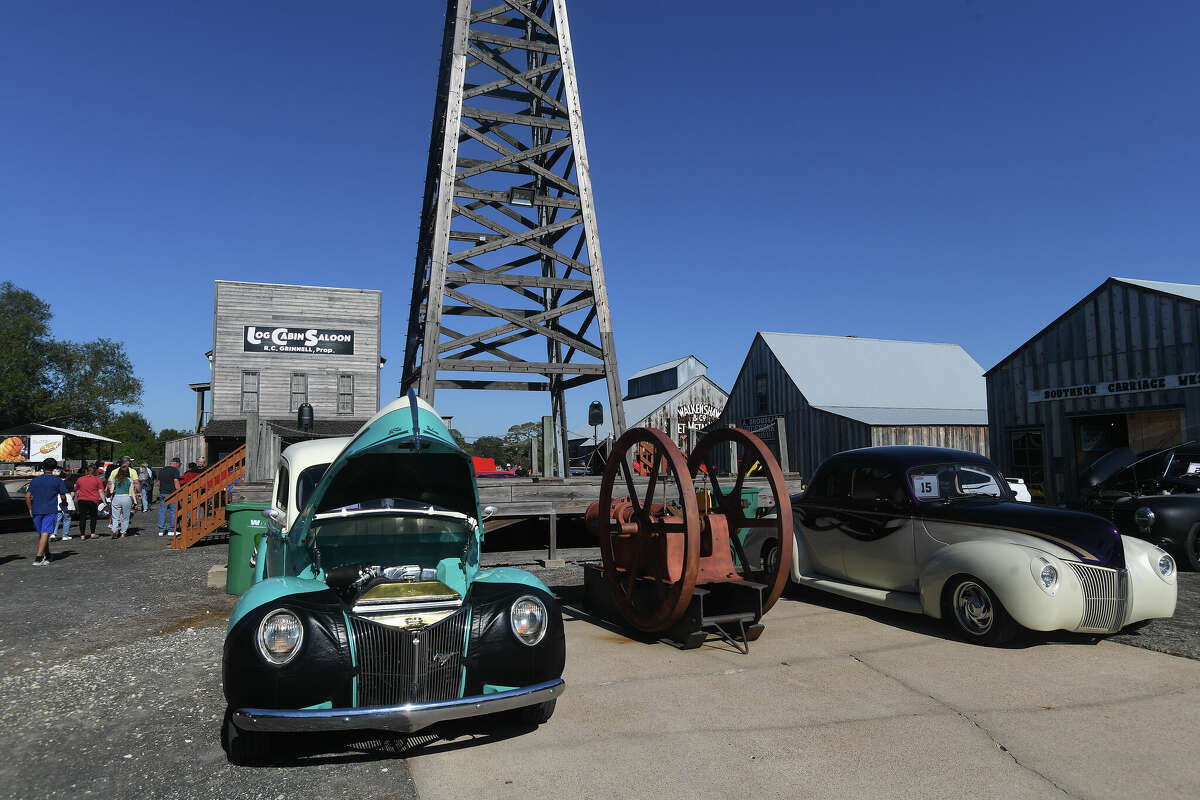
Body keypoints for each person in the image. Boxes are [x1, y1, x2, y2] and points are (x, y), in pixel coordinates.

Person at [25, 458, 68, 565]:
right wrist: (64, 503)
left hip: (36, 509)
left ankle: (48, 554)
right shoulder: (57, 480)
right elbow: (63, 496)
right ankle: (38, 558)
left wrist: (30, 509)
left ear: (43, 467)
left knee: (42, 533)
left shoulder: (35, 480)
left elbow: (28, 496)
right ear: (54, 468)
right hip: (50, 509)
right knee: (45, 533)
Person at [106, 457, 141, 538]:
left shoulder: (115, 479)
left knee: (115, 517)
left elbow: (110, 490)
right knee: (126, 517)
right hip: (127, 498)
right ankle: (123, 532)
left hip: (117, 497)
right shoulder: (130, 480)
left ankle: (114, 530)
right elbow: (132, 491)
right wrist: (135, 501)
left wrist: (113, 491)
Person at [74, 465, 104, 540]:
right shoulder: (98, 480)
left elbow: (76, 489)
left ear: (86, 471)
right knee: (93, 517)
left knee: (82, 517)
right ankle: (92, 533)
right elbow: (101, 491)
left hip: (82, 500)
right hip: (93, 500)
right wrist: (104, 501)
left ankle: (82, 535)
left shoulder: (80, 479)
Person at [157, 457, 182, 536]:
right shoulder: (175, 470)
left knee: (162, 511)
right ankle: (171, 530)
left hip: (162, 493)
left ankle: (161, 530)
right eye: (179, 465)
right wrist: (179, 491)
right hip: (172, 494)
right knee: (173, 512)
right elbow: (176, 481)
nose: (179, 466)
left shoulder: (162, 470)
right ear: (176, 463)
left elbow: (158, 483)